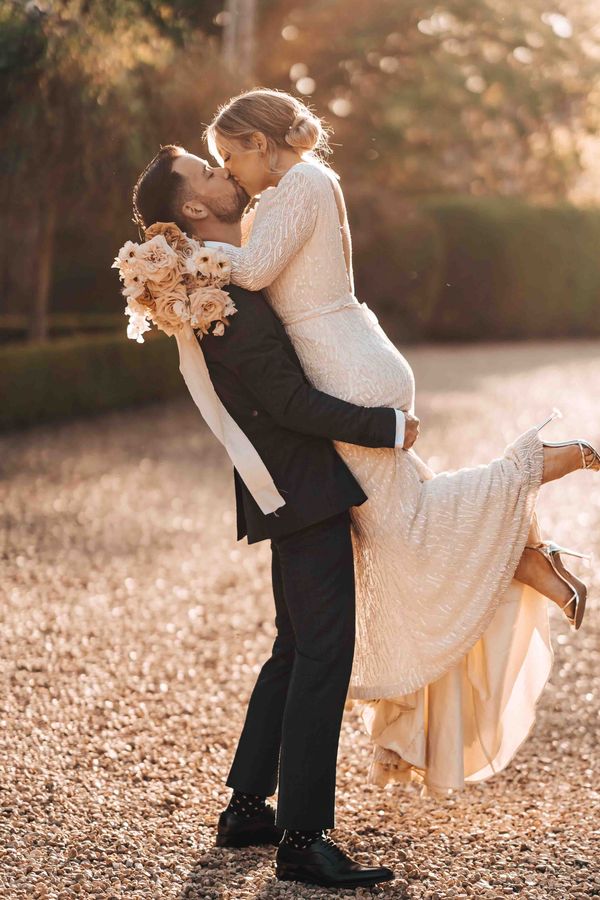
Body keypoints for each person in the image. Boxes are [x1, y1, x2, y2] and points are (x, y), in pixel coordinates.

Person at [199, 88, 600, 798]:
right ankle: (528, 553)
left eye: (231, 156)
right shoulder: (303, 187)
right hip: (356, 359)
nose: (231, 174)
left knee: (404, 528)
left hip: (347, 374)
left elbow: (253, 272)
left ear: (262, 143)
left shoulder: (300, 182)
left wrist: (180, 260)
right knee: (396, 529)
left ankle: (534, 470)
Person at [131, 146, 415, 888]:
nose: (227, 172)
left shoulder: (221, 279)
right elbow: (286, 401)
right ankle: (303, 839)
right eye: (209, 170)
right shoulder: (227, 296)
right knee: (323, 654)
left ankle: (247, 809)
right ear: (194, 207)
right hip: (299, 486)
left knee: (295, 650)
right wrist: (384, 427)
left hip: (284, 485)